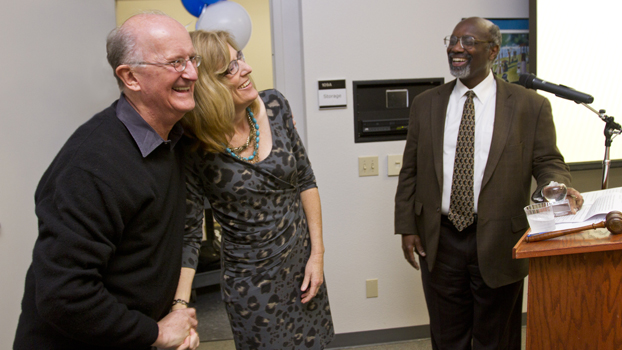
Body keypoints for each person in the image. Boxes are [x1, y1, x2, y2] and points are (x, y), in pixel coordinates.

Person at [13, 13, 201, 350]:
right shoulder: (91, 165)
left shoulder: (173, 140)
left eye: (191, 58)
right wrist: (157, 333)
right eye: (175, 62)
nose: (192, 73)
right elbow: (64, 295)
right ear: (130, 77)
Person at [394, 17, 584, 350]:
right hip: (440, 238)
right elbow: (410, 170)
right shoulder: (427, 104)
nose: (456, 48)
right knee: (447, 335)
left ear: (493, 51)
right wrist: (407, 226)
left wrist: (556, 186)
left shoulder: (529, 105)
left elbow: (548, 162)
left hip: (500, 238)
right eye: (452, 40)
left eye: (468, 42)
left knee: (497, 338)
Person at [179, 30, 334, 350]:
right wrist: (180, 307)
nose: (246, 69)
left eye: (241, 59)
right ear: (208, 85)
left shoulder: (275, 105)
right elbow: (190, 234)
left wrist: (317, 255)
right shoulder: (194, 144)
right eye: (230, 69)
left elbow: (305, 179)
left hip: (302, 269)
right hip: (251, 286)